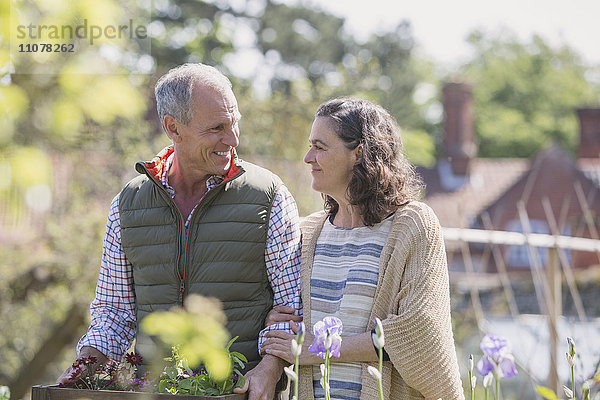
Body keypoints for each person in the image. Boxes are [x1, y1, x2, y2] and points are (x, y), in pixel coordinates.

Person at [57, 63, 302, 400]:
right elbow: (114, 313)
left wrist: (270, 369)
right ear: (173, 127)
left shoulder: (268, 196)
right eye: (216, 128)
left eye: (235, 124)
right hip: (152, 391)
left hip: (238, 390)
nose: (232, 139)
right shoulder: (128, 204)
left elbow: (292, 304)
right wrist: (82, 371)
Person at [262, 98, 465, 399]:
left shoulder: (412, 225)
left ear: (358, 154)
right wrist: (272, 320)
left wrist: (322, 350)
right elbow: (282, 315)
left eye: (320, 147)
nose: (308, 157)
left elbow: (418, 332)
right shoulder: (306, 232)